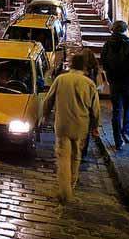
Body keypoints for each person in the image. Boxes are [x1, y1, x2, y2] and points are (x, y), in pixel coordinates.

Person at [43, 53, 100, 204]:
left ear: (71, 64)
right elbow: (95, 109)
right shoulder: (89, 84)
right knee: (76, 156)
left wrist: (45, 115)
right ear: (84, 67)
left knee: (63, 158)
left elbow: (48, 100)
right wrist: (95, 126)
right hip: (81, 125)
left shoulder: (61, 79)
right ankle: (71, 185)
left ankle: (65, 191)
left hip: (63, 124)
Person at [100, 20, 129, 150]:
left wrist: (107, 79)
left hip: (114, 82)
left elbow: (103, 63)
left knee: (117, 110)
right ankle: (126, 132)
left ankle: (117, 140)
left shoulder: (107, 45)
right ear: (125, 30)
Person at [80, 49, 101, 159]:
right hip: (87, 106)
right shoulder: (94, 71)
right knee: (85, 131)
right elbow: (95, 106)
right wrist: (96, 124)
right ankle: (83, 152)